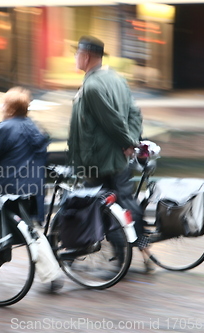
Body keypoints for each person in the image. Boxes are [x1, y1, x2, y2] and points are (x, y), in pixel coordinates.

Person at [67, 36, 154, 273]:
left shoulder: (93, 86)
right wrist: (131, 143)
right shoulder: (116, 78)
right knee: (124, 202)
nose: (75, 58)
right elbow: (135, 114)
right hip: (117, 159)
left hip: (98, 160)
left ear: (85, 56)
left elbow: (112, 121)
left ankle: (82, 254)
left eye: (76, 54)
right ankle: (143, 250)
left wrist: (127, 142)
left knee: (92, 205)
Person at [0, 87, 64, 291]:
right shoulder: (33, 127)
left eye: (4, 104)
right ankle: (53, 274)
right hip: (30, 190)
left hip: (5, 188)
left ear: (8, 107)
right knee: (31, 232)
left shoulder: (5, 128)